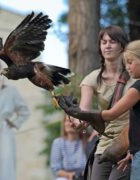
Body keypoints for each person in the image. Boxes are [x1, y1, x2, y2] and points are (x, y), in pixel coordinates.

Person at [57, 39, 140, 180]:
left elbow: (110, 114)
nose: (127, 66)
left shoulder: (137, 87)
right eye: (103, 42)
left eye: (130, 62)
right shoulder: (93, 78)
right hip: (128, 148)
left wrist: (77, 113)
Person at [50, 115, 87, 180]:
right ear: (64, 123)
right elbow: (56, 169)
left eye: (73, 121)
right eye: (67, 121)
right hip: (65, 178)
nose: (70, 124)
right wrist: (70, 175)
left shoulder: (85, 142)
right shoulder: (58, 143)